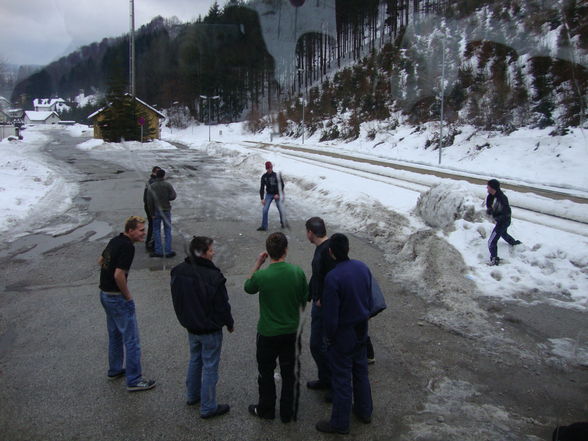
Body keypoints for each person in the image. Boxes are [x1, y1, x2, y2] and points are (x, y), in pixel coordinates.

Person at [244, 232, 308, 423]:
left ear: (268, 252)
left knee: (266, 372)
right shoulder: (297, 272)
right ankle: (287, 412)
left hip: (267, 332)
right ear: (286, 250)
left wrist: (257, 264)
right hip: (290, 332)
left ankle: (266, 409)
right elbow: (304, 298)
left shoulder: (262, 276)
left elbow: (248, 287)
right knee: (289, 374)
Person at [170, 236, 234, 419]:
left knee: (195, 359)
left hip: (191, 325)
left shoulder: (178, 271)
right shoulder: (213, 277)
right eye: (211, 250)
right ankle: (208, 406)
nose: (213, 252)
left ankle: (192, 395)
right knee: (210, 366)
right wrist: (229, 323)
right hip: (209, 328)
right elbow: (222, 305)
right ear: (203, 253)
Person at [316, 233, 373, 434]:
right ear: (348, 249)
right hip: (361, 329)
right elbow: (369, 296)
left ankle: (340, 423)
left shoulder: (333, 278)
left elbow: (331, 316)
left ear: (331, 253)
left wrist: (329, 337)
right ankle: (364, 411)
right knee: (361, 372)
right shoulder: (362, 267)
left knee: (341, 379)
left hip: (343, 333)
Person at [98, 216, 156, 392]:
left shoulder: (115, 240)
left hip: (104, 294)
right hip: (116, 298)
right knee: (132, 340)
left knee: (115, 335)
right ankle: (134, 379)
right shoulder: (127, 247)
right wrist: (128, 297)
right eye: (140, 230)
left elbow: (101, 260)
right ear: (130, 230)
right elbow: (118, 275)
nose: (143, 234)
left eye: (143, 230)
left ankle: (115, 369)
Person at [305, 217, 336, 392]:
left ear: (310, 232)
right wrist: (309, 294)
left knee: (321, 345)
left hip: (324, 307)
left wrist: (321, 298)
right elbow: (317, 275)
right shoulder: (321, 248)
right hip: (319, 302)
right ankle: (325, 379)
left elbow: (333, 278)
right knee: (318, 345)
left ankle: (331, 384)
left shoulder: (327, 251)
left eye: (306, 232)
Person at [485, 179, 521, 266]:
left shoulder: (502, 199)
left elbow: (507, 213)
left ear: (493, 188)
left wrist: (497, 218)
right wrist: (490, 210)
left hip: (503, 221)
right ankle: (514, 243)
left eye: (488, 186)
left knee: (491, 241)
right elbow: (489, 205)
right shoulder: (491, 196)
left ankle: (494, 259)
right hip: (501, 222)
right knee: (503, 233)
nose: (487, 188)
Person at [146, 168, 177, 258]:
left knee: (156, 230)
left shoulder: (152, 186)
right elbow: (173, 196)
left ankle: (158, 250)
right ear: (163, 175)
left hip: (156, 211)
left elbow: (149, 201)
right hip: (166, 210)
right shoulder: (167, 185)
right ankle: (168, 250)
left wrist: (151, 212)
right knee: (167, 230)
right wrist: (167, 198)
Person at [257, 161, 286, 231]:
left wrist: (278, 194)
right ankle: (264, 226)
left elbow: (282, 185)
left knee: (280, 208)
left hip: (276, 194)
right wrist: (262, 198)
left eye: (270, 168)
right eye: (268, 168)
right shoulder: (264, 177)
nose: (269, 169)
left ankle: (283, 223)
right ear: (266, 169)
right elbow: (261, 188)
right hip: (269, 194)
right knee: (265, 210)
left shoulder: (276, 176)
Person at [143, 166, 161, 252]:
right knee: (152, 225)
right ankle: (150, 244)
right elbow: (148, 199)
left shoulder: (150, 181)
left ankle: (152, 242)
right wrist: (152, 211)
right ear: (154, 172)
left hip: (149, 206)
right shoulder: (153, 182)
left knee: (152, 225)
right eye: (158, 172)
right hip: (151, 207)